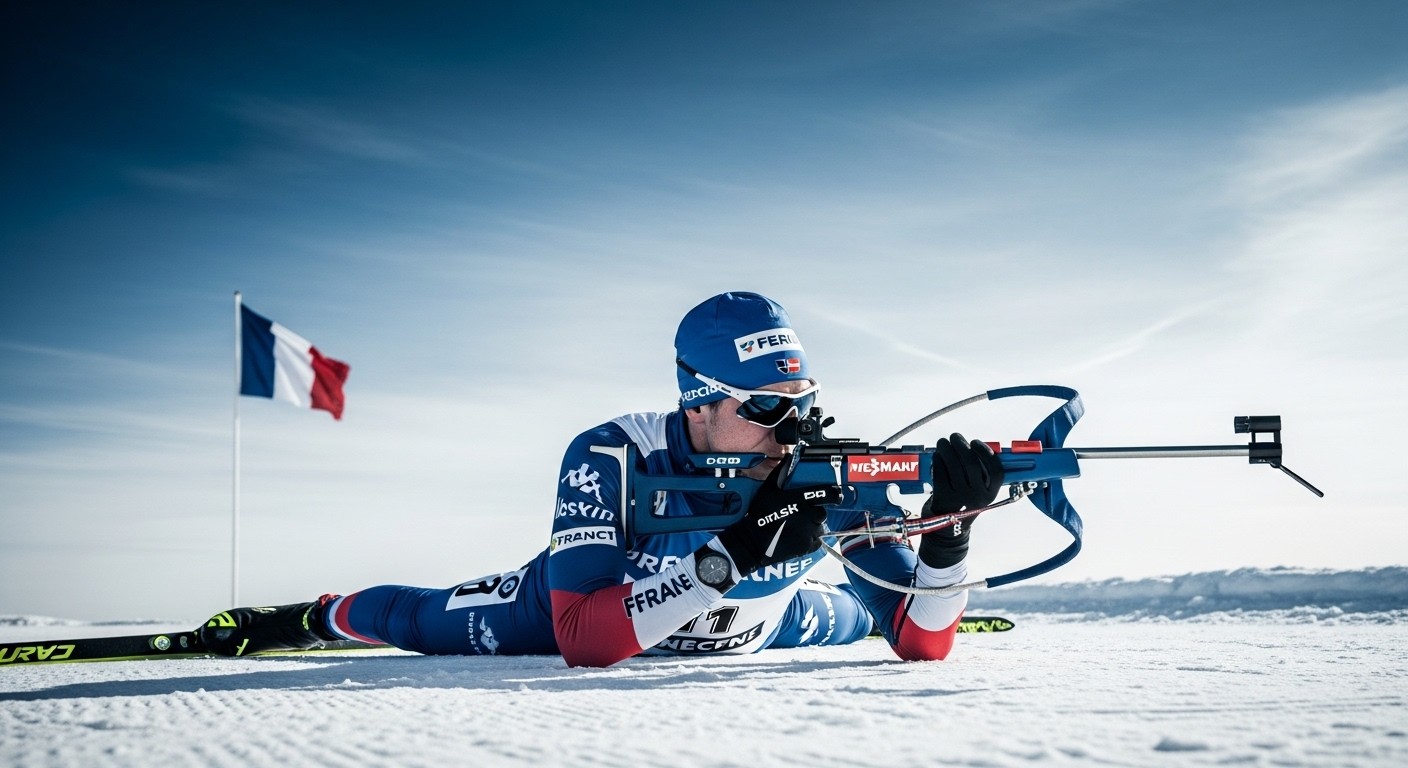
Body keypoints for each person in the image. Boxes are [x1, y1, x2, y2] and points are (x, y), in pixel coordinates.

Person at [200, 291, 1005, 667]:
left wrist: (949, 536)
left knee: (862, 617)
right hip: (570, 608)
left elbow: (922, 643)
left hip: (767, 621)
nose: (789, 428)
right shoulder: (613, 454)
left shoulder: (832, 470)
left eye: (802, 403)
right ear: (698, 405)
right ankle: (312, 617)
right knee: (417, 620)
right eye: (763, 405)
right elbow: (585, 640)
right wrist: (740, 550)